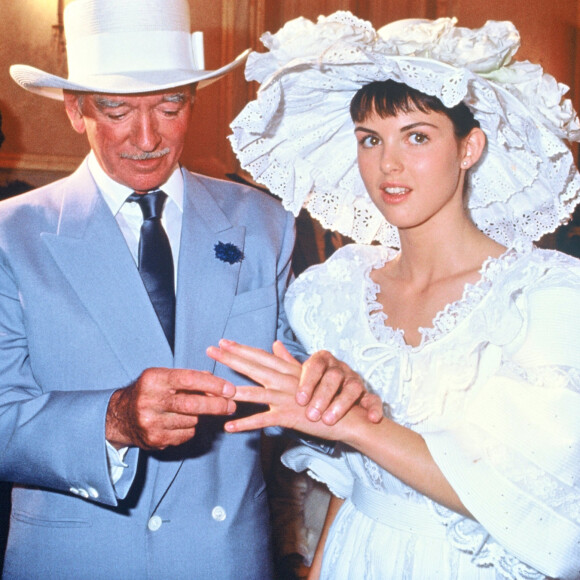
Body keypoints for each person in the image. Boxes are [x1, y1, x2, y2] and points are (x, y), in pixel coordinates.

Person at [0, 2, 381, 578]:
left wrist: (329, 387)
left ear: (193, 101)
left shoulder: (264, 222)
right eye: (117, 110)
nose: (147, 136)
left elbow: (289, 382)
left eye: (169, 105)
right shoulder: (12, 237)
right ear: (76, 111)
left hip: (223, 559)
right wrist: (114, 420)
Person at [208, 13, 580, 580]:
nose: (388, 165)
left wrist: (355, 422)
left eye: (418, 136)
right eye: (370, 140)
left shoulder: (540, 298)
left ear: (469, 147)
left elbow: (529, 499)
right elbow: (348, 482)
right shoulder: (336, 293)